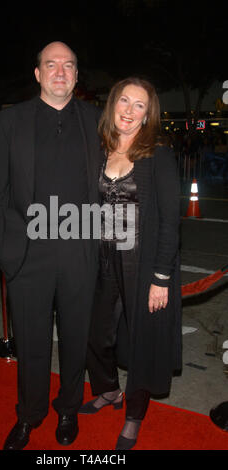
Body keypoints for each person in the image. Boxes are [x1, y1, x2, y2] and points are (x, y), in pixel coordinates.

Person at [0, 41, 103, 450]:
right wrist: (7, 252)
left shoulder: (96, 120)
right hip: (27, 256)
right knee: (32, 343)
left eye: (68, 65)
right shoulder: (10, 122)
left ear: (76, 75)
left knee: (75, 341)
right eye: (51, 65)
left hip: (80, 251)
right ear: (37, 74)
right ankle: (29, 415)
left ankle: (69, 408)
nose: (60, 71)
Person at [79, 77, 182, 450]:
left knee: (142, 341)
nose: (129, 110)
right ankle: (108, 390)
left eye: (140, 105)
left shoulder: (159, 156)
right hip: (100, 258)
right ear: (113, 105)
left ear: (148, 115)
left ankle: (134, 415)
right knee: (95, 333)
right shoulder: (98, 149)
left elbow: (171, 220)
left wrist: (161, 276)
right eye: (124, 100)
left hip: (142, 265)